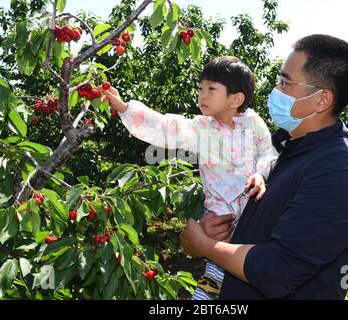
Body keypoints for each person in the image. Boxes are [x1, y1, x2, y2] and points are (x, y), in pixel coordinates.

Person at [180, 34, 348, 300]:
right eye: (277, 81)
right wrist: (215, 229)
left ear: (322, 100)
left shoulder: (344, 169)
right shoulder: (279, 148)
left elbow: (278, 270)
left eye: (285, 82)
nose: (275, 91)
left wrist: (206, 245)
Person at [101, 56, 279, 300]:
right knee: (217, 266)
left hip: (253, 209)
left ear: (236, 99)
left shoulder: (252, 123)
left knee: (249, 268)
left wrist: (260, 173)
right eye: (200, 88)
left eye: (211, 89)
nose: (202, 95)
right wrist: (125, 108)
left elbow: (268, 152)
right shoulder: (201, 128)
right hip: (220, 214)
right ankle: (204, 295)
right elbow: (165, 126)